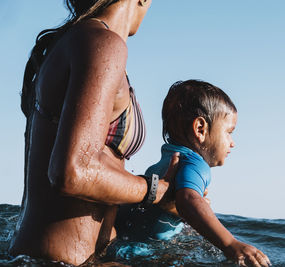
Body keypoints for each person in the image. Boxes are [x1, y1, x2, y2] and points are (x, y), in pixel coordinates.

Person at [8, 0, 181, 265]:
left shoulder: (70, 42)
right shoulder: (104, 45)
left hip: (50, 256)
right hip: (62, 261)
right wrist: (155, 190)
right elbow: (73, 173)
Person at [116, 80, 271, 267]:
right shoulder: (196, 163)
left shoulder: (167, 159)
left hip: (122, 246)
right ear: (200, 129)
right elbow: (188, 200)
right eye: (229, 132)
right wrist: (230, 244)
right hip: (143, 255)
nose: (232, 143)